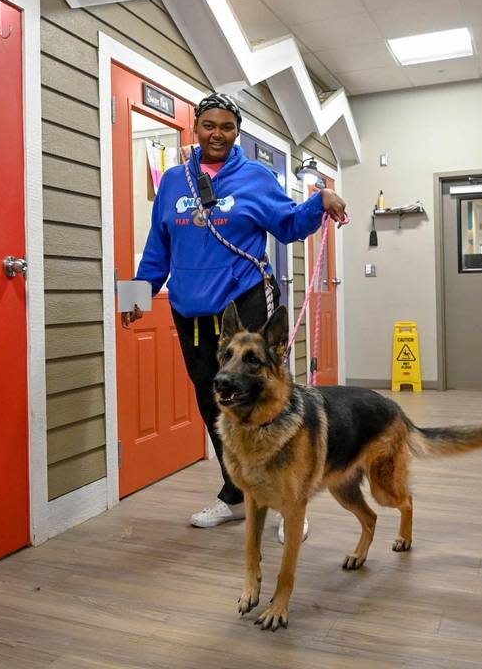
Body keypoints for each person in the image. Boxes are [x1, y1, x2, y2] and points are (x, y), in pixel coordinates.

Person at [121, 92, 348, 541]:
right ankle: (235, 495)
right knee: (215, 406)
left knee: (266, 404)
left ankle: (289, 500)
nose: (217, 134)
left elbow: (288, 224)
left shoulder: (255, 177)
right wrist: (137, 294)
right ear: (195, 129)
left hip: (243, 308)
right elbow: (157, 247)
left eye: (226, 126)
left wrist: (321, 198)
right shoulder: (172, 181)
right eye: (209, 126)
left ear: (236, 131)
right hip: (190, 311)